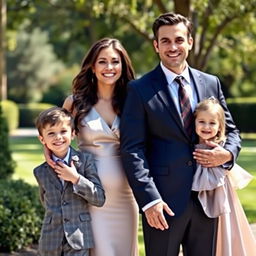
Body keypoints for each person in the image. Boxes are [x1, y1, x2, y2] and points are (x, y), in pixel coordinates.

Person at [120, 12, 241, 256]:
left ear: (190, 42)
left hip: (208, 198)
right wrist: (150, 200)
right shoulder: (139, 89)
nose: (173, 47)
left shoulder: (210, 83)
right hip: (163, 202)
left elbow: (232, 130)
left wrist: (227, 154)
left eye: (178, 40)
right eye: (165, 41)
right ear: (156, 45)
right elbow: (132, 149)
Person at [62, 38, 139, 256]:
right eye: (102, 61)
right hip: (90, 196)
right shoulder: (74, 103)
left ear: (123, 66)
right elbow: (56, 146)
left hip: (126, 197)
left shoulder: (133, 102)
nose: (109, 67)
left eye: (115, 61)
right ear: (92, 66)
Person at [33, 106, 105, 256]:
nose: (58, 137)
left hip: (79, 238)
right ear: (42, 139)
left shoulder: (85, 161)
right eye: (51, 133)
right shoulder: (40, 172)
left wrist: (76, 178)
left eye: (63, 132)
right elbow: (44, 201)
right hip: (50, 240)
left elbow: (99, 198)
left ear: (73, 134)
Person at [192, 98, 256, 256]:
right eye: (201, 121)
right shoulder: (188, 145)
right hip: (194, 202)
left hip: (221, 196)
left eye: (212, 123)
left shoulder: (220, 147)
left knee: (225, 230)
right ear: (194, 122)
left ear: (220, 126)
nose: (206, 127)